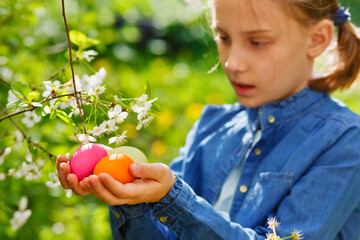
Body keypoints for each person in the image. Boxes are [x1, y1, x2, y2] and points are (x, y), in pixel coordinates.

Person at [57, 0, 360, 239]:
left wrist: (172, 198)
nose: (232, 62)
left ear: (317, 39)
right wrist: (129, 197)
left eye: (258, 42)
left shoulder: (344, 141)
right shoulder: (212, 127)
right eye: (224, 37)